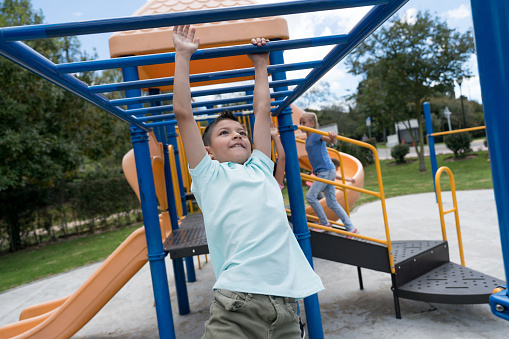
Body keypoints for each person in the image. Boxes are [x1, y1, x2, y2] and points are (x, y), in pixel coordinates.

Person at [172, 25, 323, 338]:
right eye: (224, 133)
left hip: (286, 307)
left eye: (241, 131)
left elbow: (262, 110)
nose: (237, 135)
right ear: (209, 151)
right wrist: (183, 56)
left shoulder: (260, 169)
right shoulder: (209, 174)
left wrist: (260, 63)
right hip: (236, 304)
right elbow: (183, 113)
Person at [299, 112, 358, 237]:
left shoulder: (316, 134)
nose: (301, 125)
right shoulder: (308, 138)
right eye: (300, 123)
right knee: (331, 203)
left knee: (311, 196)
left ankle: (324, 223)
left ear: (312, 124)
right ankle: (351, 228)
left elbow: (331, 141)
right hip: (323, 171)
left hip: (326, 171)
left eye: (304, 123)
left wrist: (333, 136)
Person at [270, 122, 286, 189]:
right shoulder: (275, 186)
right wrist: (275, 137)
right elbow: (282, 158)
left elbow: (282, 158)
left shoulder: (275, 186)